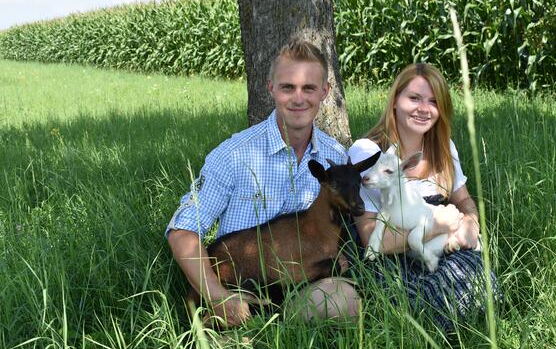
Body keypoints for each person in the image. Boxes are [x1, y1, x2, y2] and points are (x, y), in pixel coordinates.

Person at [166, 39, 360, 328]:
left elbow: (345, 222)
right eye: (287, 87)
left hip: (298, 289)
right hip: (238, 292)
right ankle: (232, 333)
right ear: (271, 88)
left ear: (324, 92)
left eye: (309, 88)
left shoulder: (335, 158)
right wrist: (218, 296)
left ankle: (288, 338)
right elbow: (183, 231)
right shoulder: (233, 155)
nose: (298, 98)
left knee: (345, 300)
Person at [347, 62, 500, 333]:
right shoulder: (369, 152)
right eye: (414, 98)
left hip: (439, 247)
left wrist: (470, 224)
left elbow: (464, 201)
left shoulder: (443, 148)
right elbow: (371, 238)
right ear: (395, 101)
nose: (423, 109)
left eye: (433, 101)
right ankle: (430, 328)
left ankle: (447, 323)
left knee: (484, 282)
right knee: (428, 301)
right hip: (391, 259)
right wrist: (437, 226)